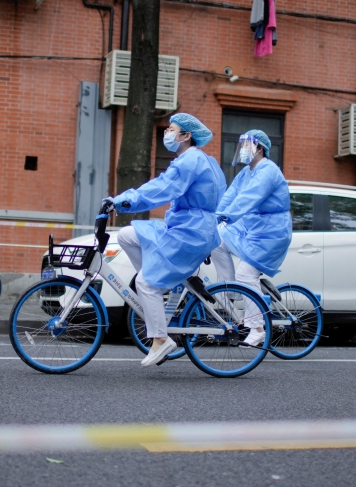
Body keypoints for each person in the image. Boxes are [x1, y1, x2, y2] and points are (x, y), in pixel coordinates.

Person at [106, 113, 226, 367]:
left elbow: (162, 188)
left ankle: (161, 339)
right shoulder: (200, 159)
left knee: (144, 282)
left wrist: (121, 201)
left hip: (190, 233)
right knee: (126, 235)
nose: (167, 134)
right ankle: (159, 285)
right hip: (187, 228)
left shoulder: (190, 160)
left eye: (172, 129)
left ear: (186, 135)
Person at [211, 129, 291, 347]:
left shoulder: (268, 171)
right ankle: (231, 290)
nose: (243, 150)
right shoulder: (246, 171)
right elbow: (231, 195)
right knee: (215, 240)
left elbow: (248, 198)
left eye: (247, 146)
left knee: (245, 273)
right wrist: (215, 217)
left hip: (271, 233)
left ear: (259, 148)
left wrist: (226, 215)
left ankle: (257, 328)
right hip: (250, 228)